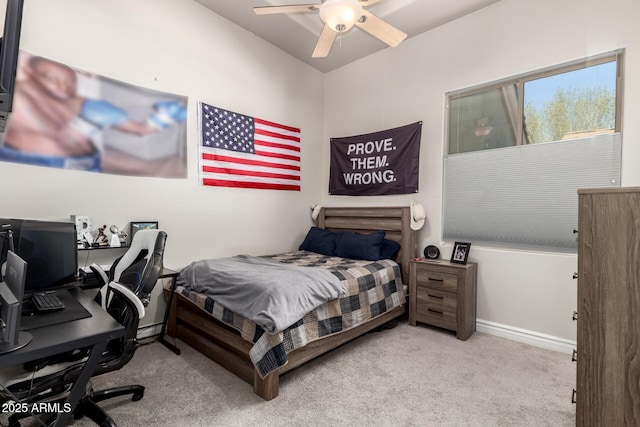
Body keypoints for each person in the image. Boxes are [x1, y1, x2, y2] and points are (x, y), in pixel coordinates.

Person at [0, 54, 186, 172]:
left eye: (70, 82)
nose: (62, 86)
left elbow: (140, 129)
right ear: (31, 74)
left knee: (140, 166)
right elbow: (60, 138)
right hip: (39, 164)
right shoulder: (20, 93)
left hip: (87, 162)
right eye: (51, 78)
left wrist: (163, 116)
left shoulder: (83, 103)